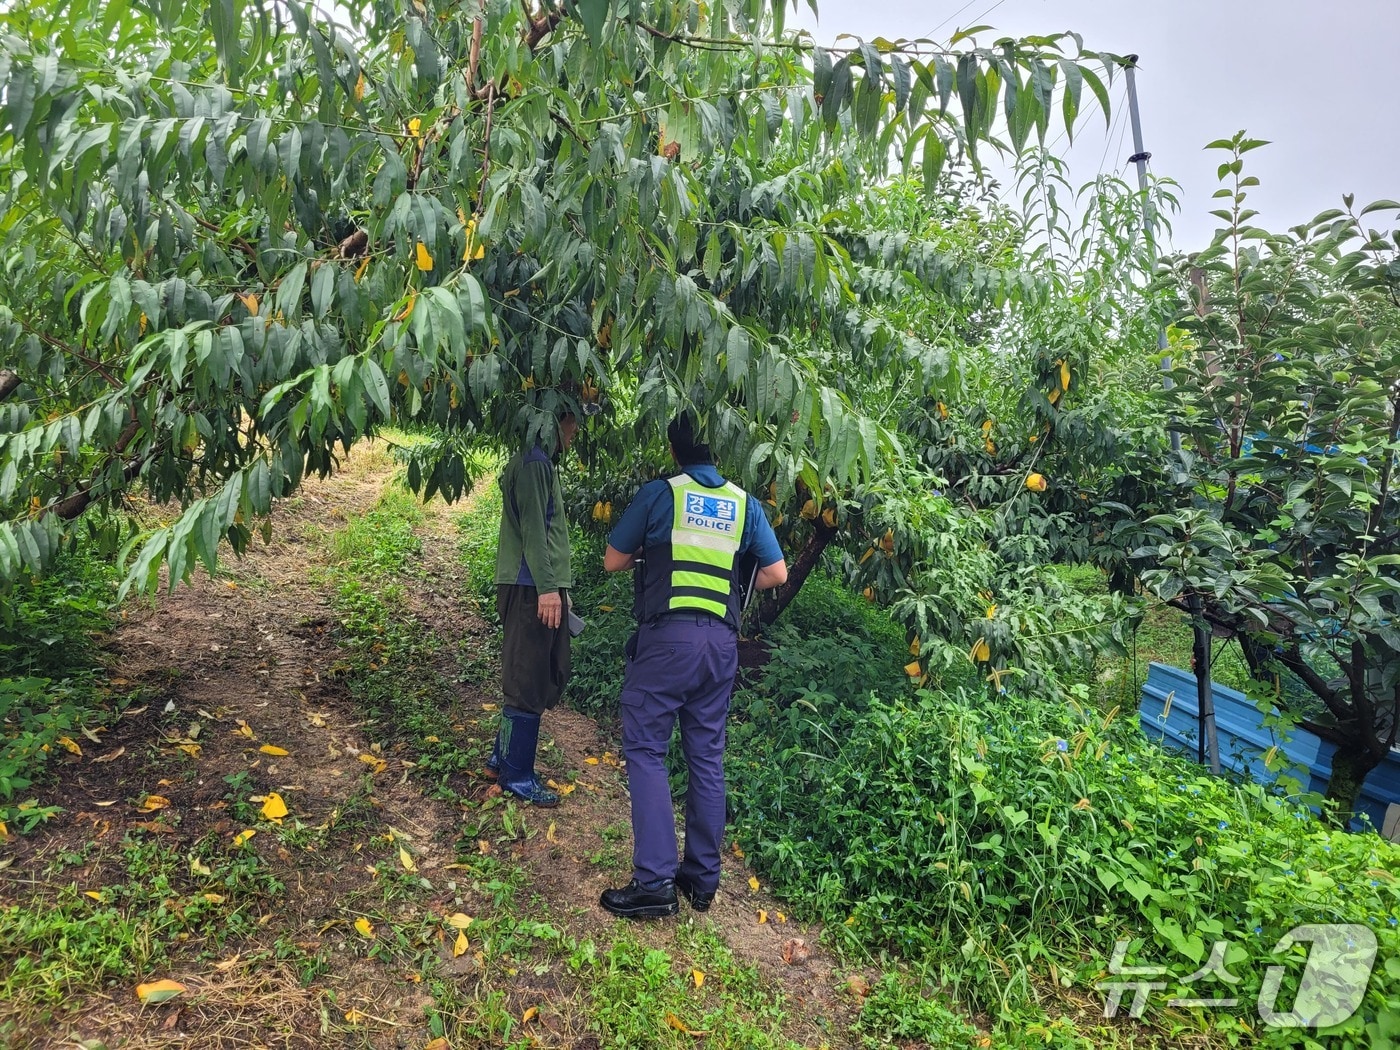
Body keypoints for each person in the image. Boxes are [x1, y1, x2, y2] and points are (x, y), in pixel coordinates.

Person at [598, 413, 788, 918]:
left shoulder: (662, 493)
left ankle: (655, 881)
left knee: (645, 749)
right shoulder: (743, 504)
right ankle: (701, 881)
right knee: (706, 757)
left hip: (666, 643)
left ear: (673, 448)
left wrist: (651, 556)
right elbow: (776, 572)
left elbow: (612, 560)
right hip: (721, 647)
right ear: (718, 449)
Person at [484, 411, 578, 807]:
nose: (576, 433)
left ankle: (502, 759)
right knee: (527, 678)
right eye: (573, 423)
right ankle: (517, 775)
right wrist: (547, 590)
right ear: (559, 421)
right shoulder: (535, 463)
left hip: (531, 585)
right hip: (529, 588)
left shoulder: (534, 461)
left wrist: (555, 587)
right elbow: (536, 533)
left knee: (528, 672)